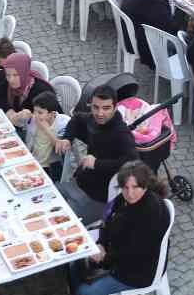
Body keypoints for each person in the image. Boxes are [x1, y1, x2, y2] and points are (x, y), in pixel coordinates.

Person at [67, 160, 172, 295]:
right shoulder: (124, 199)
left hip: (136, 271)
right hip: (117, 257)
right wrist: (100, 244)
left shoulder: (151, 212)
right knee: (73, 265)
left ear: (145, 185)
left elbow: (135, 252)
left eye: (135, 188)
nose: (129, 193)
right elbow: (107, 221)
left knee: (84, 294)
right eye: (125, 188)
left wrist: (105, 257)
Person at [58, 84, 139, 223]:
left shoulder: (121, 133)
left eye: (106, 108)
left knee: (59, 221)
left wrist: (97, 163)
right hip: (77, 183)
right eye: (95, 107)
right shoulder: (93, 119)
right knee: (42, 198)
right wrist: (67, 138)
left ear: (114, 107)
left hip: (98, 198)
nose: (100, 113)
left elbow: (133, 162)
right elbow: (77, 119)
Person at [0, 40, 54, 122]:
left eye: (15, 75)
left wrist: (30, 117)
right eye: (8, 75)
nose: (11, 79)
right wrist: (10, 112)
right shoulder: (10, 82)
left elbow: (52, 119)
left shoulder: (41, 91)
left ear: (23, 72)